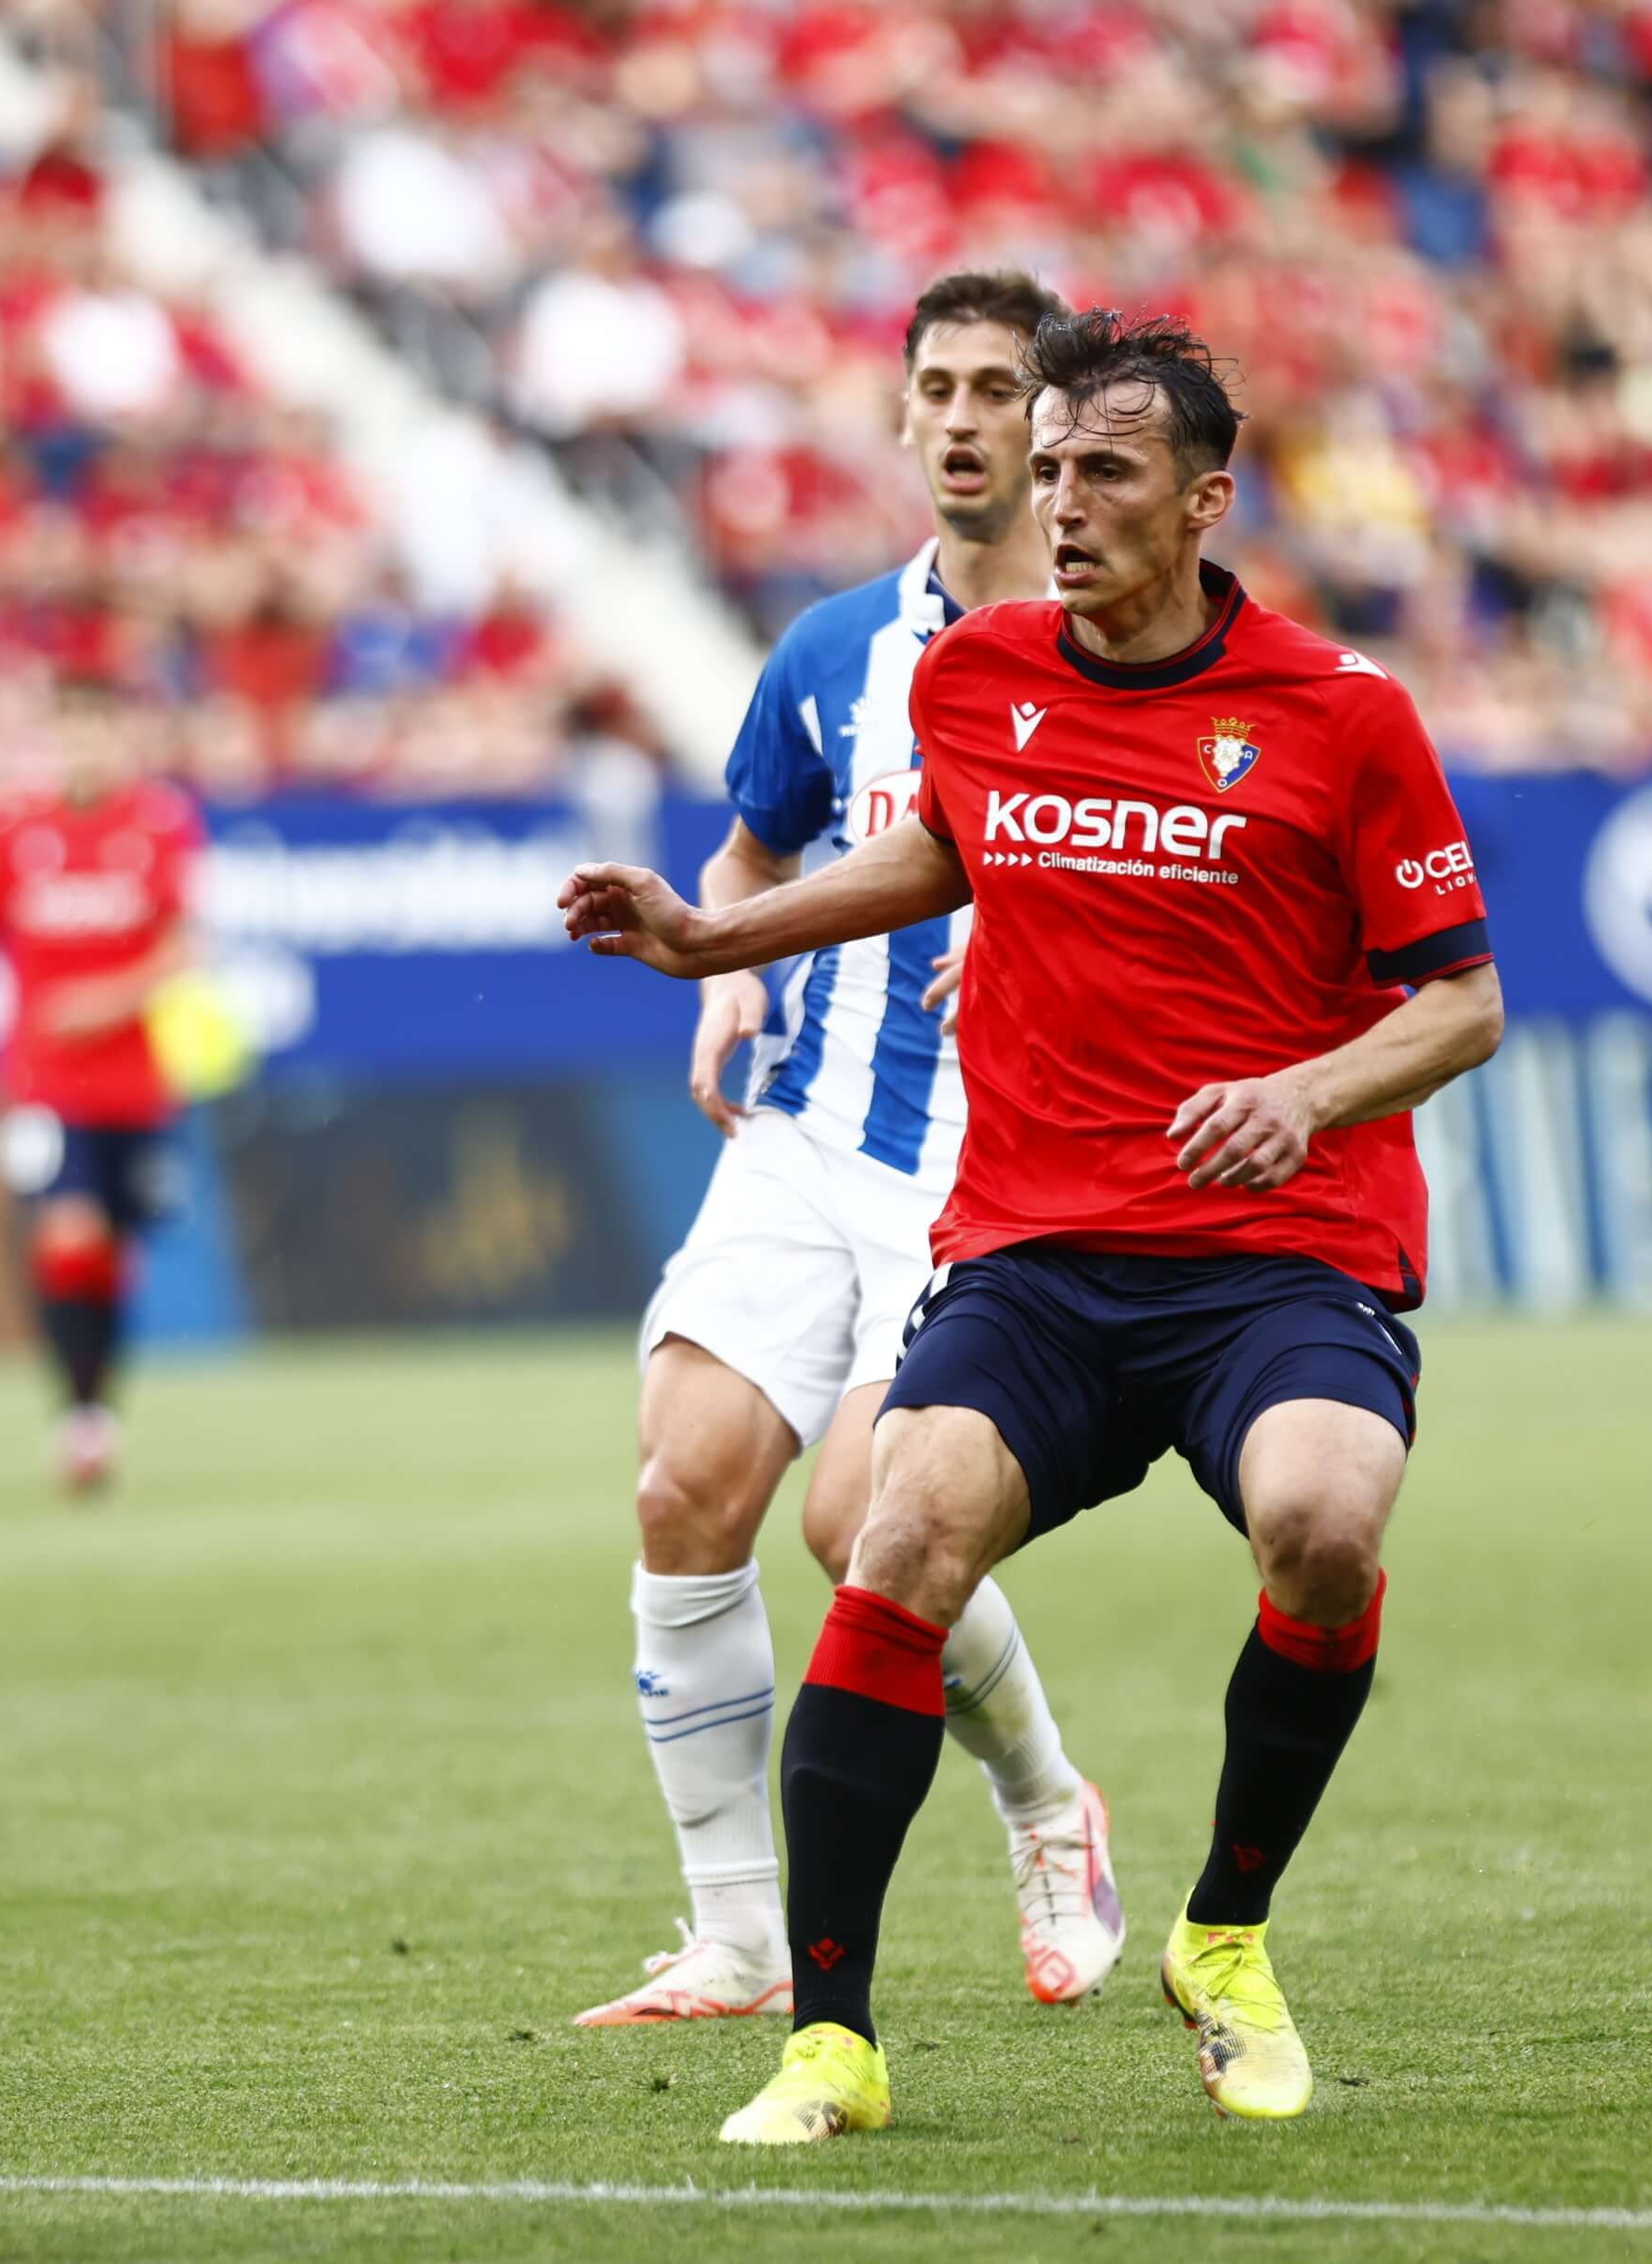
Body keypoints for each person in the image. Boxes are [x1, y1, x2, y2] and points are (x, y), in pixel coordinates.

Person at [559, 309, 1505, 2144]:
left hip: (1280, 1245)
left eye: (1107, 472)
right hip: (1045, 1250)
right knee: (894, 1531)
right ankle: (830, 2038)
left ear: (1209, 500)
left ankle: (1222, 1928)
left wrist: (1305, 1094)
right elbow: (934, 859)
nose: (1063, 502)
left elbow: (1460, 1000)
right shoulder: (980, 675)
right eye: (1054, 470)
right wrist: (706, 937)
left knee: (1322, 1517)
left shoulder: (1346, 712)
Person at [583, 270, 1118, 2031]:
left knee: (857, 1522)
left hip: (994, 1172)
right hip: (812, 1129)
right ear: (900, 414)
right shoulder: (828, 655)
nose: (961, 417)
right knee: (679, 1487)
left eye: (995, 389)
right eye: (936, 385)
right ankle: (729, 1935)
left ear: (1052, 432)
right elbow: (747, 859)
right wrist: (718, 979)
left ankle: (1047, 1806)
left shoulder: (1116, 651)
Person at [0, 674, 208, 1492]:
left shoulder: (159, 823)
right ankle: (81, 1421)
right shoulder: (10, 827)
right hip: (39, 1080)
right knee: (66, 1232)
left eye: (99, 734)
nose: (85, 750)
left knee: (114, 1244)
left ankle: (97, 1407)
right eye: (69, 734)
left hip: (138, 1080)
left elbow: (186, 946)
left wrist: (108, 1000)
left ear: (124, 740)